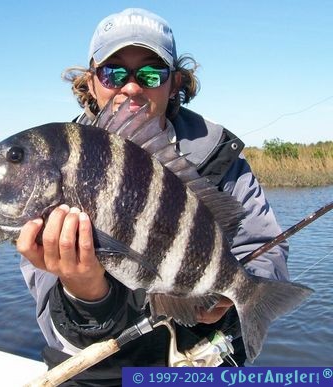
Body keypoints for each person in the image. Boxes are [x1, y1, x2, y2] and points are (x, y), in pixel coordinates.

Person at [17, 8, 289, 386]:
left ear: (174, 82)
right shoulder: (58, 166)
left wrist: (237, 294)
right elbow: (53, 321)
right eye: (113, 72)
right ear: (91, 81)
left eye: (150, 73)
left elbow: (267, 247)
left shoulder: (222, 161)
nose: (131, 88)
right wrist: (85, 295)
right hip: (106, 374)